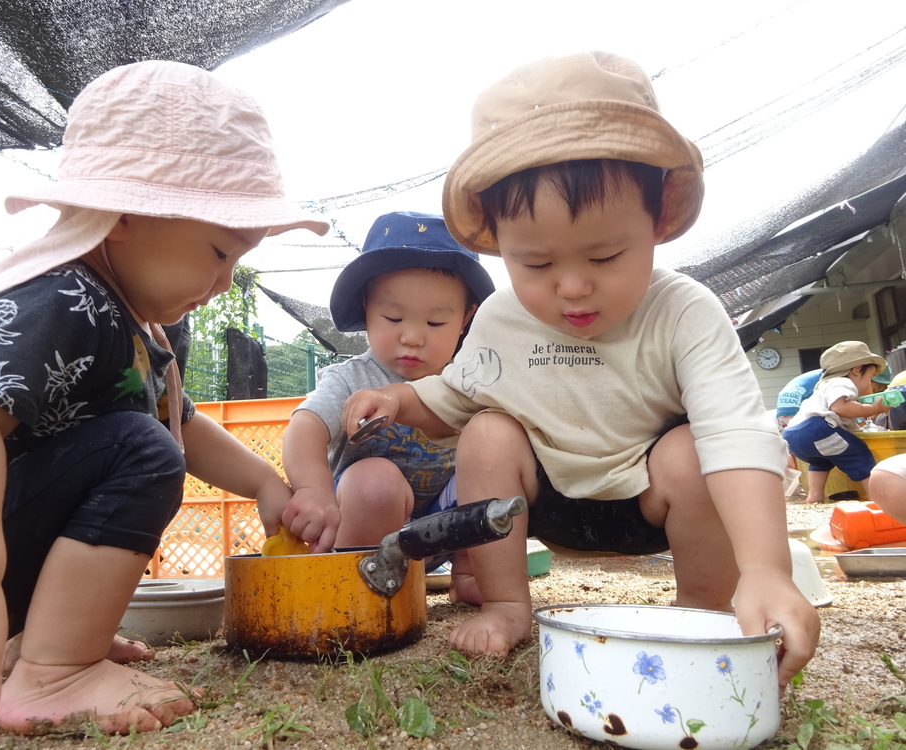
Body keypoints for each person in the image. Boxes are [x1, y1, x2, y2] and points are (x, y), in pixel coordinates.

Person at [342, 51, 820, 687]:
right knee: (488, 431)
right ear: (498, 241)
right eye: (535, 265)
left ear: (659, 217)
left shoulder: (683, 311)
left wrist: (766, 568)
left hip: (648, 499)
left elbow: (737, 435)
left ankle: (706, 609)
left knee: (689, 451)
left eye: (606, 254)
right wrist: (401, 402)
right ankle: (510, 603)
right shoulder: (503, 318)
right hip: (537, 502)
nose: (571, 287)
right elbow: (454, 398)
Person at [0, 60, 328, 743]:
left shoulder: (139, 324)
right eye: (219, 251)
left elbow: (181, 423)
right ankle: (55, 673)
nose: (224, 282)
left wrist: (263, 485)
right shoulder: (63, 297)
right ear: (127, 213)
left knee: (144, 437)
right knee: (138, 447)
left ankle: (44, 645)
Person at [281, 211, 494, 553]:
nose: (411, 337)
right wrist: (312, 490)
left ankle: (473, 574)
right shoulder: (352, 378)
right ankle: (364, 585)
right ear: (366, 307)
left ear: (467, 317)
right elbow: (305, 426)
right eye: (393, 317)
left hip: (440, 529)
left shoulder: (470, 379)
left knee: (494, 457)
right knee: (374, 483)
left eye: (436, 322)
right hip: (362, 521)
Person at [783, 342, 892, 504]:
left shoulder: (824, 387)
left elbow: (844, 422)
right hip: (816, 429)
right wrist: (872, 409)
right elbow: (839, 407)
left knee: (821, 461)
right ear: (856, 370)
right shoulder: (843, 382)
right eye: (870, 378)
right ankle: (875, 498)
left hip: (793, 436)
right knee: (859, 452)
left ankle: (814, 496)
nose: (870, 386)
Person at [776, 366, 891, 430]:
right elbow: (842, 409)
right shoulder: (842, 381)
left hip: (784, 411)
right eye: (874, 389)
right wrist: (872, 409)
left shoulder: (834, 374)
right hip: (799, 411)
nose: (872, 393)